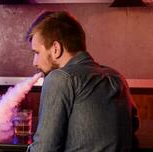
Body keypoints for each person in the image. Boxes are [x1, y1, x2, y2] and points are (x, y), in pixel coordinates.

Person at [26, 11, 139, 152]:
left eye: (36, 53)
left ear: (56, 49)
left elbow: (43, 149)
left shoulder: (59, 78)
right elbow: (133, 128)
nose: (34, 62)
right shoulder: (117, 77)